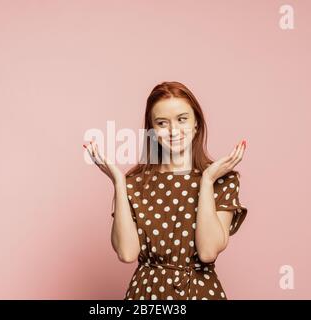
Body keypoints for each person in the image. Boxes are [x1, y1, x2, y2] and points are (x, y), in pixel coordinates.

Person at [84, 81, 248, 300]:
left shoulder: (221, 180)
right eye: (162, 123)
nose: (173, 131)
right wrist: (119, 183)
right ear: (152, 130)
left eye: (182, 119)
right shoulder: (134, 184)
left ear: (197, 122)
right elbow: (126, 253)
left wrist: (207, 181)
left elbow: (208, 252)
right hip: (146, 295)